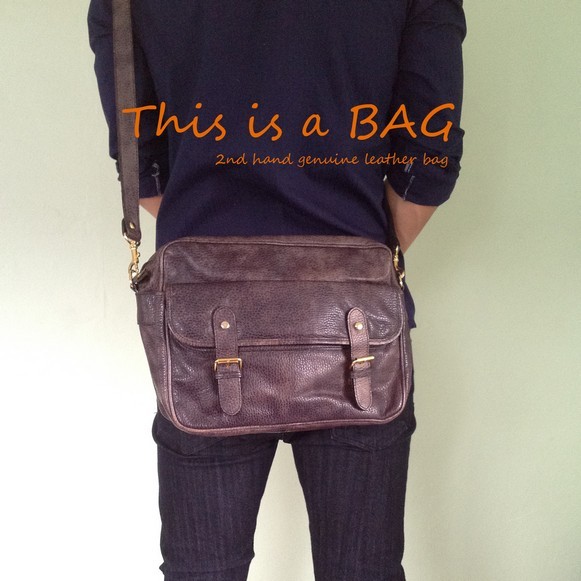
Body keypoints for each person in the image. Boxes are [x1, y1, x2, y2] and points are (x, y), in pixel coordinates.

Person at [88, 1, 466, 579]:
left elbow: (142, 165)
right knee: (362, 570)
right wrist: (348, 263)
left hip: (204, 331)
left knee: (202, 572)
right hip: (356, 329)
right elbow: (429, 160)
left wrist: (229, 263)